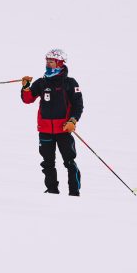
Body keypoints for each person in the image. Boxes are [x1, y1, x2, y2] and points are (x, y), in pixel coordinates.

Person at [21, 48, 83, 195]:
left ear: (60, 63)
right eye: (47, 61)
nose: (48, 64)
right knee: (47, 163)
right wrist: (25, 88)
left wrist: (73, 121)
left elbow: (78, 105)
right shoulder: (41, 82)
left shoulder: (69, 83)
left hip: (64, 130)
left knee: (69, 162)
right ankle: (52, 190)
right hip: (45, 130)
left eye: (52, 62)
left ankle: (74, 192)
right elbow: (27, 99)